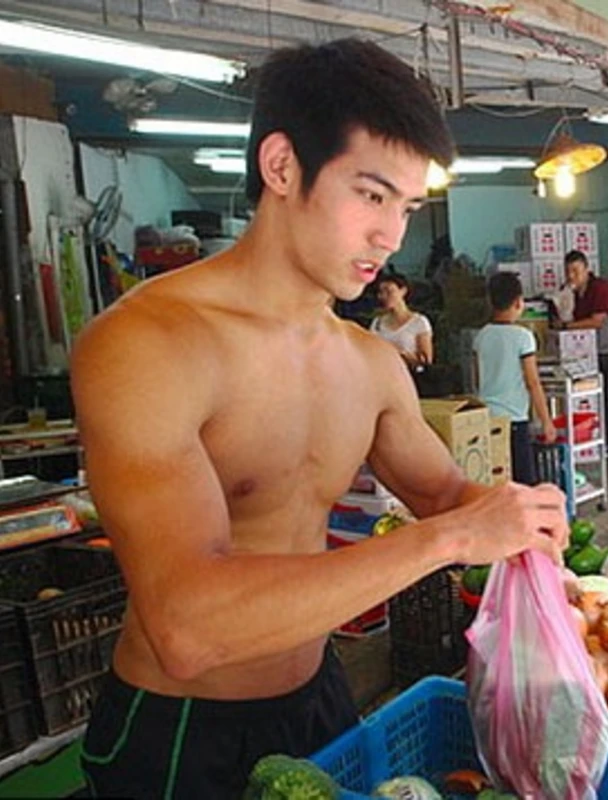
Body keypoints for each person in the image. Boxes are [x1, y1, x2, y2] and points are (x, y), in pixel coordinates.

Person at [70, 39, 568, 799]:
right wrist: (455, 537)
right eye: (370, 195)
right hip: (181, 732)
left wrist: (520, 523)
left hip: (320, 701)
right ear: (281, 167)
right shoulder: (147, 347)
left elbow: (442, 496)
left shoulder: (368, 363)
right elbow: (187, 628)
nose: (392, 236)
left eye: (405, 206)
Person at [474, 272, 556, 485]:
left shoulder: (481, 336)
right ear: (519, 302)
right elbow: (533, 382)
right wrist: (546, 421)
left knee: (496, 478)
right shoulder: (523, 337)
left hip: (487, 417)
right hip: (515, 421)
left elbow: (477, 377)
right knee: (523, 480)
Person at [562, 250, 608, 456]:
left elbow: (597, 321)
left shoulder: (600, 287)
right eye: (568, 271)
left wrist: (567, 326)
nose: (571, 276)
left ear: (587, 269)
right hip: (597, 351)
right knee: (601, 396)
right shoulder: (577, 293)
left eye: (576, 271)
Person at [371, 274, 433, 368]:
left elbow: (426, 360)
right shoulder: (377, 323)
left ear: (403, 291)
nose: (383, 296)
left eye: (389, 291)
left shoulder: (419, 322)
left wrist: (400, 353)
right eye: (381, 292)